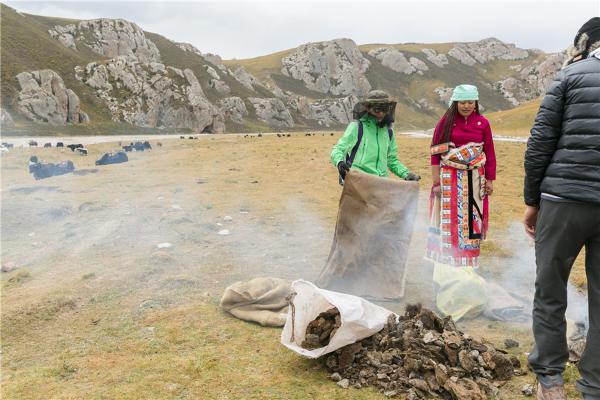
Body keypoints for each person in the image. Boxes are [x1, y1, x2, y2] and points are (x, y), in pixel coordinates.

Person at [523, 17, 600, 400]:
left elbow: (539, 143)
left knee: (551, 290)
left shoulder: (570, 76)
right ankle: (594, 387)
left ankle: (550, 381)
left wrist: (532, 201)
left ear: (585, 43)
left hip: (563, 201)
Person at [425, 84, 497, 321]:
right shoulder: (445, 123)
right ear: (455, 103)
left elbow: (490, 152)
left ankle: (467, 263)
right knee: (449, 224)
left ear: (476, 103)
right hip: (449, 178)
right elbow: (435, 154)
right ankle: (448, 265)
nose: (467, 106)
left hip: (475, 179)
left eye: (471, 102)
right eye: (463, 102)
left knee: (471, 221)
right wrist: (437, 183)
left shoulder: (483, 123)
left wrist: (491, 180)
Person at [331, 90, 420, 182]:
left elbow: (391, 160)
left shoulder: (389, 132)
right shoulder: (357, 127)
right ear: (368, 108)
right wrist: (340, 163)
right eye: (377, 109)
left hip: (381, 184)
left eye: (384, 109)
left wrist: (406, 174)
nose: (381, 113)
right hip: (358, 181)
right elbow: (338, 149)